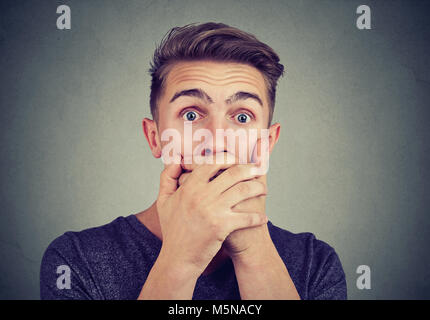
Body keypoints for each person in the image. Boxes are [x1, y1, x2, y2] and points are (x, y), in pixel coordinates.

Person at [40, 22, 347, 300]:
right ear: (155, 137)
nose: (216, 138)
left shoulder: (315, 265)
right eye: (191, 115)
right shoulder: (76, 260)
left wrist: (254, 251)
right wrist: (180, 258)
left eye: (242, 116)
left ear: (266, 144)